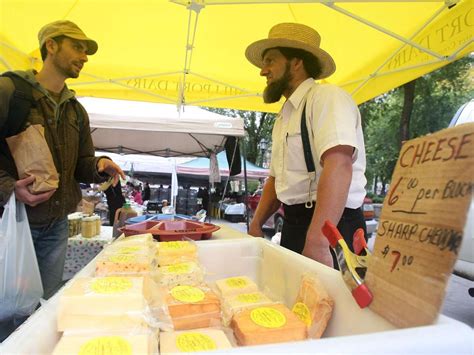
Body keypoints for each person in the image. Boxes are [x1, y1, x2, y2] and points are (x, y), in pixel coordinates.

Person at [0, 20, 125, 299]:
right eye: (77, 47)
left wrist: (99, 165)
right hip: (11, 224)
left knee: (42, 305)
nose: (84, 57)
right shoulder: (10, 91)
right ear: (52, 46)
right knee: (7, 311)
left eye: (86, 51)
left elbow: (81, 164)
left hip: (57, 225)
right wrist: (10, 188)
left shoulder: (75, 110)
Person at [246, 23, 367, 267]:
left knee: (336, 304)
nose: (263, 71)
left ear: (296, 62)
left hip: (332, 225)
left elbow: (339, 164)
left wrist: (320, 240)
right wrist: (256, 225)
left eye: (270, 61)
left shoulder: (327, 97)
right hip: (297, 223)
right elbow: (275, 180)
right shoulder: (284, 117)